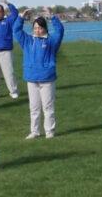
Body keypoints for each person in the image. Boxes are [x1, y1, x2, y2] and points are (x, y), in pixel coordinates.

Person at [12, 11, 64, 139]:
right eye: (35, 28)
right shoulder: (28, 40)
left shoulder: (52, 41)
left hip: (47, 78)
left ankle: (49, 131)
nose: (37, 30)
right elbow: (16, 31)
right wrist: (20, 17)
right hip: (31, 78)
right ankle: (35, 131)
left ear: (44, 28)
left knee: (48, 107)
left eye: (40, 28)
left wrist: (52, 17)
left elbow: (60, 31)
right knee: (34, 108)